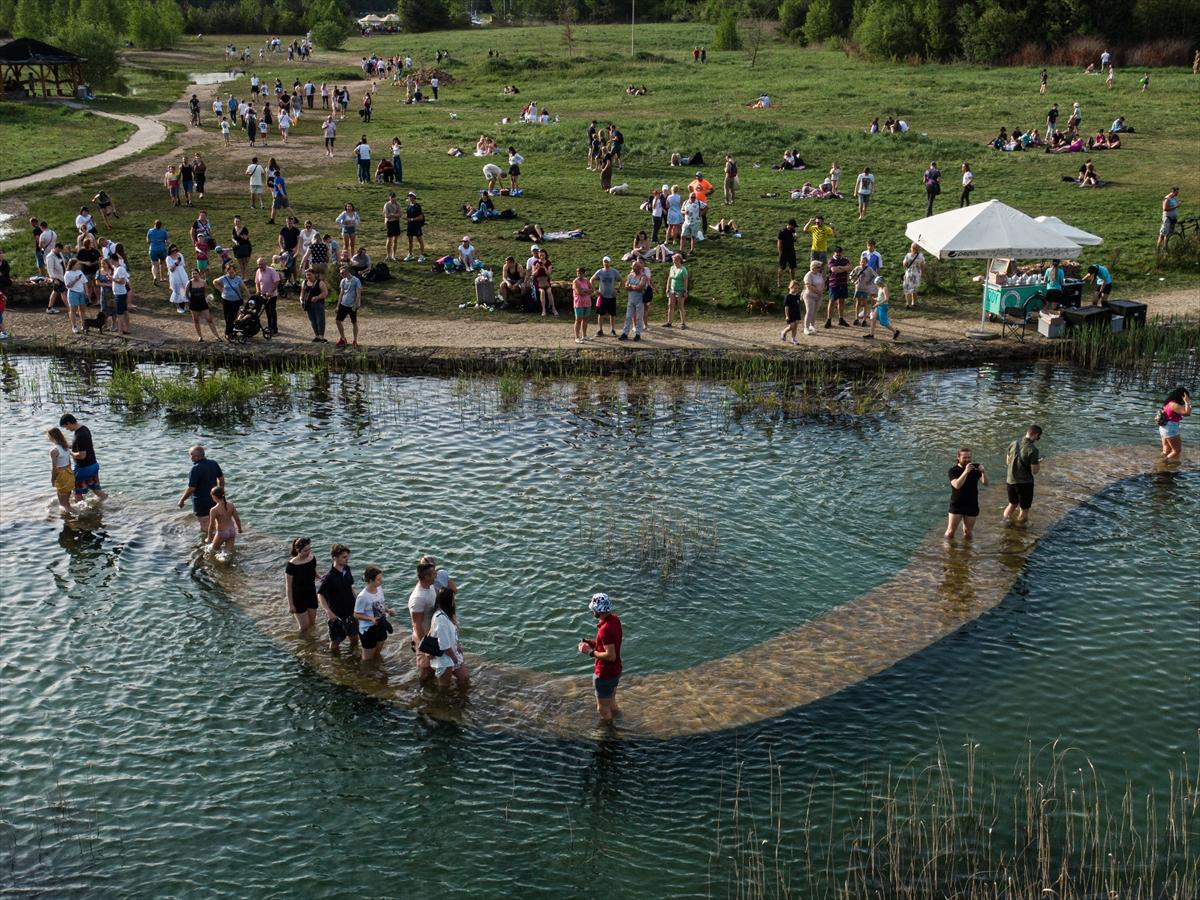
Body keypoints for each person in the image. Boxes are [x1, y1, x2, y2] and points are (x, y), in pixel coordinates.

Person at [577, 592, 622, 723]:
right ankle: (619, 720)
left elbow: (610, 656)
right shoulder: (615, 620)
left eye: (593, 609)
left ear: (597, 610)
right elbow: (610, 644)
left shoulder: (604, 629)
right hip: (616, 670)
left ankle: (610, 731)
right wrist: (593, 644)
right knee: (611, 701)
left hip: (604, 674)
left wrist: (589, 651)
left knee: (602, 709)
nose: (592, 611)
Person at [318, 544, 358, 653]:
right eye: (344, 557)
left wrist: (358, 602)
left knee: (355, 639)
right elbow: (320, 594)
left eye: (347, 557)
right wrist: (328, 611)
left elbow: (350, 587)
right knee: (335, 643)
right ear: (334, 558)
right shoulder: (329, 577)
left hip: (351, 611)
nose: (347, 559)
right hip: (336, 615)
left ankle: (352, 658)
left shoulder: (347, 569)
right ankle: (335, 660)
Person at [177, 445, 224, 536]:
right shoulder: (213, 463)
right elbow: (221, 478)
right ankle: (218, 538)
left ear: (197, 456)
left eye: (191, 455)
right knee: (213, 522)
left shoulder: (195, 468)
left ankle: (208, 541)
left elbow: (192, 488)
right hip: (214, 498)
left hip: (201, 501)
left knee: (204, 525)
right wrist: (220, 493)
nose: (190, 457)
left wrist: (182, 500)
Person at [428, 587, 469, 688]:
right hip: (445, 658)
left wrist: (457, 645)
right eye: (453, 599)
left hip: (452, 652)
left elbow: (451, 634)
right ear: (448, 601)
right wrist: (454, 658)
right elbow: (444, 645)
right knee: (444, 686)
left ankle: (458, 695)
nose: (454, 601)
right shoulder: (440, 619)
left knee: (464, 677)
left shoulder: (447, 615)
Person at [1003, 425, 1043, 525]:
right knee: (1024, 510)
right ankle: (1020, 530)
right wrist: (1038, 462)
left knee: (1012, 504)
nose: (1037, 439)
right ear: (1035, 435)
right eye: (1038, 437)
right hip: (1024, 484)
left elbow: (1008, 462)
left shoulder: (1013, 443)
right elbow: (1034, 471)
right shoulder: (1033, 449)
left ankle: (1005, 524)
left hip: (1010, 481)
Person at [408, 559, 439, 683]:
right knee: (426, 671)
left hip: (432, 635)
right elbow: (417, 625)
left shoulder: (429, 586)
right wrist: (425, 648)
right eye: (433, 574)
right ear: (426, 577)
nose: (436, 575)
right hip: (423, 637)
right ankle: (420, 690)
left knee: (433, 668)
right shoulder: (418, 598)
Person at [946, 447, 988, 539]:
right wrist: (966, 472)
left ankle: (967, 548)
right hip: (957, 504)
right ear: (958, 457)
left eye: (969, 457)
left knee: (968, 532)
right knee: (950, 532)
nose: (967, 460)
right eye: (964, 458)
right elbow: (957, 485)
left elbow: (985, 483)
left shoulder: (975, 469)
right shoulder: (953, 470)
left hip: (972, 504)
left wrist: (983, 472)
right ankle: (947, 547)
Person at [354, 566, 395, 661]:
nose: (381, 581)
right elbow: (356, 614)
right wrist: (370, 619)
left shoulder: (379, 588)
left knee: (377, 654)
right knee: (367, 659)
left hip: (381, 625)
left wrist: (388, 610)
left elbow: (380, 604)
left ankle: (376, 667)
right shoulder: (362, 596)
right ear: (370, 580)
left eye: (381, 578)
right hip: (368, 630)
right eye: (378, 579)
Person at [205, 486, 242, 553]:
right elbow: (237, 519)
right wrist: (239, 529)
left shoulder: (214, 510)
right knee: (228, 552)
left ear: (214, 497)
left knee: (213, 549)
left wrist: (209, 538)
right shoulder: (231, 505)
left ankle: (219, 559)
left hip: (222, 532)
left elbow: (211, 526)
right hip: (232, 531)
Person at [47, 427, 75, 513]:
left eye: (48, 436)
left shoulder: (54, 451)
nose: (48, 438)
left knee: (63, 504)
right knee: (67, 502)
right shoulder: (66, 447)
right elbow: (69, 463)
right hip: (69, 473)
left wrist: (53, 479)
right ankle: (73, 514)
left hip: (61, 475)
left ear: (52, 437)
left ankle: (74, 516)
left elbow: (54, 467)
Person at [1158, 387, 1192, 460]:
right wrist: (1187, 402)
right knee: (1176, 451)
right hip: (1171, 428)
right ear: (1182, 397)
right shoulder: (1174, 405)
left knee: (1166, 450)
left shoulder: (1168, 403)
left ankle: (1160, 461)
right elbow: (1187, 413)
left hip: (1164, 427)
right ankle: (1163, 462)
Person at [619, 260, 648, 341]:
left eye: (634, 266)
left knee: (639, 318)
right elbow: (626, 286)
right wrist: (633, 287)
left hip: (640, 300)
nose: (632, 268)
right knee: (628, 317)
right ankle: (625, 333)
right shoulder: (630, 275)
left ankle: (638, 334)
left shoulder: (643, 276)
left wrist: (630, 286)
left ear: (639, 268)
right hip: (631, 300)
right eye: (632, 266)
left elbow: (640, 287)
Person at [591, 257, 620, 337]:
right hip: (602, 296)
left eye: (607, 262)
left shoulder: (614, 271)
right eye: (605, 262)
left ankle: (613, 330)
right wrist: (595, 290)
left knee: (612, 314)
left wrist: (617, 290)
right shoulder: (600, 272)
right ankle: (600, 330)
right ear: (603, 262)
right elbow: (591, 280)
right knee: (601, 314)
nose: (606, 263)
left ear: (610, 262)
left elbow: (621, 280)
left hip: (611, 296)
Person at [864, 276, 900, 341]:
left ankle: (895, 331)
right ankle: (871, 334)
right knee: (873, 318)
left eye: (877, 284)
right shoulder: (880, 288)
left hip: (883, 306)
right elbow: (880, 297)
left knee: (883, 322)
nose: (876, 285)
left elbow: (886, 299)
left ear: (880, 283)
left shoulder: (884, 288)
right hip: (879, 306)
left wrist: (877, 304)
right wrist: (874, 298)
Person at [824, 246, 852, 329]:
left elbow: (850, 268)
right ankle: (829, 320)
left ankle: (841, 319)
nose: (838, 254)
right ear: (834, 252)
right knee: (831, 302)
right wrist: (844, 268)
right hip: (834, 284)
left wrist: (840, 267)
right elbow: (834, 270)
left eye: (840, 252)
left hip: (843, 284)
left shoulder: (845, 260)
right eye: (837, 252)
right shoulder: (831, 260)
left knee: (841, 301)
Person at [254, 256, 281, 338]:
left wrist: (271, 292)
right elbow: (257, 282)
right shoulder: (258, 271)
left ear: (265, 263)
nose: (260, 266)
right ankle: (270, 327)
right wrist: (258, 290)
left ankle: (274, 329)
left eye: (261, 264)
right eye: (259, 264)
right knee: (267, 312)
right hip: (263, 295)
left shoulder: (271, 270)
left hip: (272, 295)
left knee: (272, 311)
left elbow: (277, 281)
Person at [335, 265, 361, 349]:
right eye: (340, 273)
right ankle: (343, 338)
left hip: (352, 305)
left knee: (354, 322)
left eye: (342, 273)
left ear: (347, 272)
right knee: (338, 321)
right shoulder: (343, 281)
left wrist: (356, 304)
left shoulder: (356, 280)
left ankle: (355, 340)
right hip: (343, 304)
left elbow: (358, 294)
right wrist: (338, 306)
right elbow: (341, 293)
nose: (341, 275)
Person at [299, 269, 329, 342]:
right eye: (307, 275)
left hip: (318, 304)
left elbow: (325, 293)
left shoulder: (320, 282)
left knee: (320, 320)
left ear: (314, 274)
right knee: (313, 320)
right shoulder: (304, 282)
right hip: (308, 304)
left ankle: (321, 337)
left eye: (310, 274)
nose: (308, 276)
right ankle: (317, 336)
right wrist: (301, 300)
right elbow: (302, 293)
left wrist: (317, 297)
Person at [664, 253, 688, 328]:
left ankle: (683, 323)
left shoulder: (683, 270)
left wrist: (685, 290)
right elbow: (669, 278)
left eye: (675, 260)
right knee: (670, 305)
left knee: (680, 306)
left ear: (679, 260)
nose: (674, 261)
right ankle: (669, 322)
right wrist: (667, 288)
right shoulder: (672, 268)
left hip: (680, 290)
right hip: (672, 289)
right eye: (673, 260)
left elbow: (685, 280)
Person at [571, 266, 593, 343]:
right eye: (578, 273)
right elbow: (579, 292)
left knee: (585, 319)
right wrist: (587, 291)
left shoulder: (586, 280)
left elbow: (592, 289)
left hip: (587, 303)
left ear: (583, 273)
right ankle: (577, 337)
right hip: (579, 303)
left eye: (580, 273)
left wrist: (585, 290)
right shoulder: (575, 281)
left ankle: (584, 335)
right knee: (578, 320)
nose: (579, 274)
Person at [404, 192, 426, 262]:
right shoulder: (408, 206)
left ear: (414, 197)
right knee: (410, 241)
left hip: (416, 226)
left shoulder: (417, 206)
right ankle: (410, 254)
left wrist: (412, 219)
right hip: (410, 226)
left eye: (411, 196)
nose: (409, 197)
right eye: (409, 196)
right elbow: (408, 216)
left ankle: (422, 255)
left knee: (420, 240)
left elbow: (421, 217)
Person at [901, 243, 925, 308]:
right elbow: (922, 265)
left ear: (912, 248)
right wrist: (922, 273)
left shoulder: (908, 255)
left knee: (907, 289)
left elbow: (904, 264)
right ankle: (914, 302)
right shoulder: (921, 256)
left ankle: (908, 304)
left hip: (909, 274)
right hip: (917, 274)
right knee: (915, 288)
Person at [1157, 187, 1180, 252]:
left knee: (1169, 234)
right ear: (1173, 191)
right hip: (1167, 218)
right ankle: (1160, 248)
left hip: (1173, 219)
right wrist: (1176, 206)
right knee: (1164, 233)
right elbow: (1165, 208)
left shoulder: (1174, 198)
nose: (1178, 193)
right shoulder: (1167, 198)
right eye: (1177, 192)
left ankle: (1165, 247)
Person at [777, 219, 798, 288]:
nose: (794, 227)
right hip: (784, 252)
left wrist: (796, 237)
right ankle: (779, 282)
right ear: (789, 225)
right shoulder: (782, 232)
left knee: (792, 267)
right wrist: (780, 252)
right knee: (782, 268)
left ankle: (792, 281)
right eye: (793, 226)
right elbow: (779, 243)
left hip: (791, 252)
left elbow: (795, 240)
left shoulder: (793, 231)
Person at [781, 279, 801, 344]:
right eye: (794, 288)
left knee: (796, 326)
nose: (796, 289)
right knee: (791, 326)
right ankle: (784, 332)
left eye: (797, 288)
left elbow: (798, 304)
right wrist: (787, 315)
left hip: (796, 313)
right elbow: (786, 307)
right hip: (790, 314)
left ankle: (793, 338)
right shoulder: (788, 296)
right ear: (790, 287)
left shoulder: (797, 296)